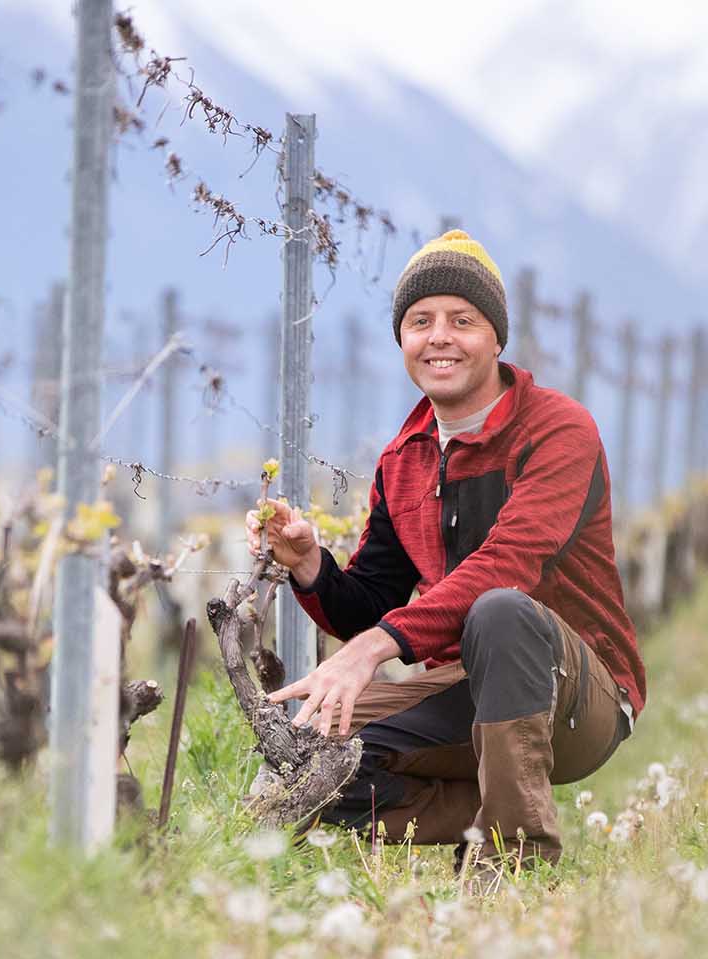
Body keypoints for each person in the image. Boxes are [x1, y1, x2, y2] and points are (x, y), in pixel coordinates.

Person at [247, 229, 646, 874]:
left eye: (463, 320)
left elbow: (506, 568)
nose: (439, 337)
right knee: (308, 755)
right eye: (419, 321)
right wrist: (309, 566)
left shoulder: (558, 430)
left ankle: (514, 866)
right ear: (401, 341)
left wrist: (372, 650)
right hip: (463, 692)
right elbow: (370, 602)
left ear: (495, 338)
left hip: (576, 695)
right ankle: (491, 812)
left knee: (500, 610)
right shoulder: (402, 461)